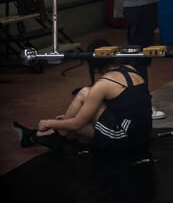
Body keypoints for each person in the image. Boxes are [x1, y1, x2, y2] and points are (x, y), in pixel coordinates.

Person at [12, 56, 152, 152]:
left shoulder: (103, 84)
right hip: (142, 134)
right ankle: (50, 135)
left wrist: (48, 123)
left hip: (124, 139)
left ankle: (49, 135)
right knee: (74, 120)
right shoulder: (131, 69)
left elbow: (76, 124)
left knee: (84, 96)